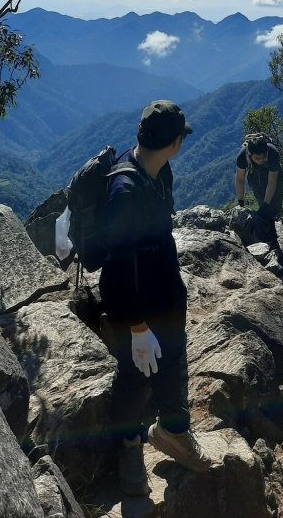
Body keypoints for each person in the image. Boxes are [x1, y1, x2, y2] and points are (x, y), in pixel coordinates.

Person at [99, 99, 212, 497]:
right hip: (134, 305)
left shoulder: (160, 171)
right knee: (133, 375)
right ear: (176, 142)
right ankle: (129, 448)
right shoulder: (125, 191)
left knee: (174, 362)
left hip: (165, 293)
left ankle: (172, 431)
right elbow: (117, 266)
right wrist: (137, 325)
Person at [234, 132, 283, 243]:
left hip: (273, 174)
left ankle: (276, 220)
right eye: (257, 158)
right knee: (262, 201)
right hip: (254, 175)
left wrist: (267, 204)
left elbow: (272, 182)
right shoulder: (242, 156)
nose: (261, 160)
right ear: (250, 154)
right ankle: (268, 233)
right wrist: (240, 201)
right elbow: (240, 179)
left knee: (275, 203)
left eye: (263, 157)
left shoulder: (273, 153)